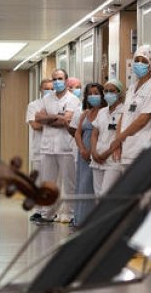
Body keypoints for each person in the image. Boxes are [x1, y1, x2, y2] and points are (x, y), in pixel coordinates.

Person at [99, 47, 151, 190]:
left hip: (141, 150)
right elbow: (125, 116)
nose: (139, 64)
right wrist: (118, 144)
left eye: (143, 61)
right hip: (127, 150)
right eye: (136, 60)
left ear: (150, 64)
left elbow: (143, 119)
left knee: (139, 193)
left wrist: (118, 139)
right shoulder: (132, 87)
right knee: (127, 194)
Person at [33, 69, 80, 223]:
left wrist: (49, 119)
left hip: (66, 147)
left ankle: (71, 214)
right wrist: (55, 117)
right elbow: (38, 118)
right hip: (47, 147)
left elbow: (65, 122)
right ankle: (47, 214)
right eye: (54, 79)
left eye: (60, 79)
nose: (57, 82)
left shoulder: (73, 100)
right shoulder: (47, 99)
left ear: (66, 81)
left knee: (69, 183)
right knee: (48, 182)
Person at [71, 82, 104, 228]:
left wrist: (91, 150)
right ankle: (80, 219)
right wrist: (82, 149)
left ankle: (91, 220)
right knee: (82, 185)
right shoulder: (85, 113)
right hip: (83, 152)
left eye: (96, 93)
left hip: (96, 152)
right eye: (90, 94)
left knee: (92, 186)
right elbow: (78, 133)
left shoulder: (104, 112)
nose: (93, 96)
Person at [90, 78, 125, 196]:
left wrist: (107, 153)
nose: (108, 94)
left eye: (112, 91)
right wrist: (94, 151)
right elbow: (95, 133)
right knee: (97, 194)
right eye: (106, 91)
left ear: (119, 93)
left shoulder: (124, 112)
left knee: (106, 194)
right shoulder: (102, 112)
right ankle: (100, 215)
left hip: (113, 159)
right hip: (97, 157)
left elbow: (121, 137)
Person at [25, 79, 54, 221]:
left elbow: (65, 122)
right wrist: (54, 122)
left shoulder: (56, 105)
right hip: (38, 148)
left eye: (51, 88)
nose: (49, 91)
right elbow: (35, 125)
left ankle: (49, 212)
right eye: (46, 88)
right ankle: (39, 210)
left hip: (54, 149)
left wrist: (46, 121)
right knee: (39, 182)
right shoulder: (33, 105)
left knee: (51, 181)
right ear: (40, 90)